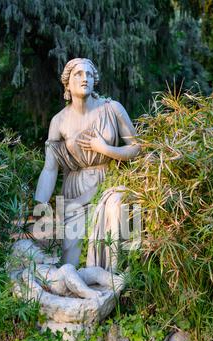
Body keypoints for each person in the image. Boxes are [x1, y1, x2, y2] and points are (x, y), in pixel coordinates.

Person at [34, 58, 141, 270]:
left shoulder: (113, 109)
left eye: (89, 74)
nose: (85, 79)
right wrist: (40, 205)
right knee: (70, 261)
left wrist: (105, 149)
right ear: (67, 84)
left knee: (114, 218)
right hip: (75, 189)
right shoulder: (59, 121)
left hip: (110, 181)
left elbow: (137, 148)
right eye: (78, 74)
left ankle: (112, 285)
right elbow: (50, 168)